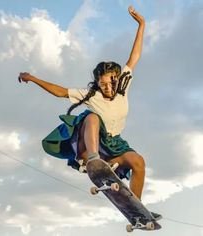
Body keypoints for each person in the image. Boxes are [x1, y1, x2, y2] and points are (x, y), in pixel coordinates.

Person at [19, 6, 161, 220]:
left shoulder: (123, 85)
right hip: (93, 143)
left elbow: (135, 57)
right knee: (91, 116)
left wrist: (142, 25)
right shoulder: (89, 94)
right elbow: (60, 92)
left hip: (116, 145)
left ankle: (137, 210)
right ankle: (93, 159)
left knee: (139, 162)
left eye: (110, 83)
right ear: (97, 83)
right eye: (102, 84)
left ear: (116, 79)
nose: (107, 88)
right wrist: (34, 78)